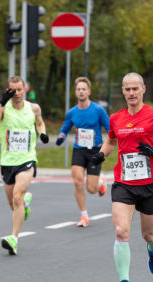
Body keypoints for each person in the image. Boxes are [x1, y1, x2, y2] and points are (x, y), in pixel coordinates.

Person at [90, 73, 153, 282]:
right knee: (120, 231)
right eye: (127, 89)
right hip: (124, 183)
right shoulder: (116, 118)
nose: (131, 93)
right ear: (123, 90)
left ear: (143, 89)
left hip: (151, 183)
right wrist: (100, 155)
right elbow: (110, 140)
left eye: (135, 89)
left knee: (148, 234)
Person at [0, 76, 49, 255]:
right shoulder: (4, 109)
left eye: (20, 89)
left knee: (16, 196)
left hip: (27, 159)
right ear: (8, 90)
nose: (17, 93)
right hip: (7, 162)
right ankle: (25, 205)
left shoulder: (34, 108)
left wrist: (42, 133)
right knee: (14, 205)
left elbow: (40, 122)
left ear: (25, 89)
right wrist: (1, 103)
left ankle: (13, 238)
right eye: (13, 90)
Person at [55, 77, 109, 227]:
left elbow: (110, 128)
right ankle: (84, 215)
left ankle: (100, 183)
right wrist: (61, 136)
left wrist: (109, 142)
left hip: (94, 151)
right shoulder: (72, 112)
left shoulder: (98, 110)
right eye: (78, 89)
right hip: (79, 149)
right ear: (75, 92)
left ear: (89, 92)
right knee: (78, 181)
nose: (81, 91)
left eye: (83, 89)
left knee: (91, 189)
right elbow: (65, 128)